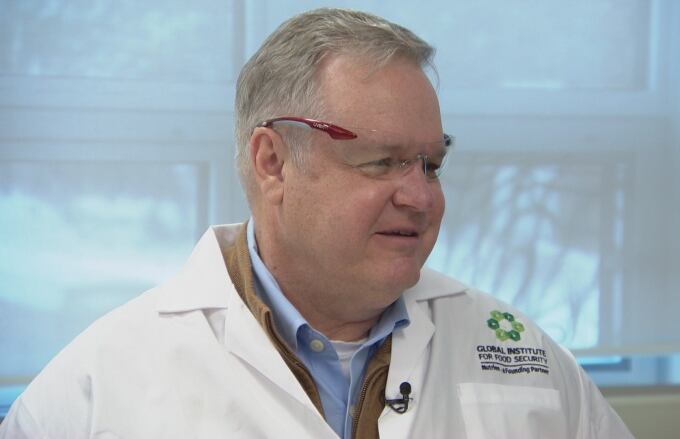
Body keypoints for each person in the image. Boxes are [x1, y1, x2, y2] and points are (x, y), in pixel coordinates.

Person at [0, 8, 633, 439]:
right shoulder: (99, 385)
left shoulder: (519, 353)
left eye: (431, 164)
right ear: (272, 162)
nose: (420, 196)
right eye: (381, 161)